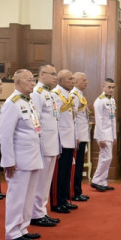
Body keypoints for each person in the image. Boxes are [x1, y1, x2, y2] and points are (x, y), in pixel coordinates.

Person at [1, 69, 46, 240]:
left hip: (33, 156)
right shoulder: (12, 103)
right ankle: (12, 231)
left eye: (33, 80)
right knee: (17, 197)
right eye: (29, 80)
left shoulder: (28, 101)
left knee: (28, 196)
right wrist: (8, 161)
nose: (33, 83)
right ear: (18, 82)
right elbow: (6, 135)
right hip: (19, 160)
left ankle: (23, 227)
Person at [31, 64, 65, 218]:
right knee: (40, 181)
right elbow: (36, 120)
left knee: (46, 182)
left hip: (52, 144)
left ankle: (41, 211)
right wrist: (38, 145)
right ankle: (36, 213)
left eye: (55, 74)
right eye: (52, 74)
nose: (55, 77)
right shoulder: (37, 93)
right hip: (43, 144)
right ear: (42, 74)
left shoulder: (49, 93)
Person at [53, 70, 78, 210]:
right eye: (70, 79)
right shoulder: (55, 95)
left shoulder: (69, 95)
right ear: (61, 80)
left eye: (73, 79)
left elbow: (72, 119)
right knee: (59, 174)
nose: (73, 81)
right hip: (61, 140)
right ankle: (57, 202)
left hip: (69, 139)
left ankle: (64, 199)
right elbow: (54, 120)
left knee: (67, 172)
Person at [91, 78, 117, 192]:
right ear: (104, 87)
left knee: (106, 158)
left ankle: (103, 181)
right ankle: (96, 180)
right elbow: (99, 120)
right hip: (103, 134)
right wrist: (101, 138)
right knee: (107, 157)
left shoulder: (112, 100)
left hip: (110, 134)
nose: (111, 89)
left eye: (113, 87)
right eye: (109, 87)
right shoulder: (99, 101)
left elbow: (113, 120)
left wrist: (114, 136)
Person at [70, 72, 90, 202]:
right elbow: (73, 118)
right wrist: (75, 136)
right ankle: (75, 192)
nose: (86, 82)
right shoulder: (74, 96)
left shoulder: (80, 95)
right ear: (76, 82)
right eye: (84, 80)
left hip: (83, 135)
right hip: (78, 137)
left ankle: (78, 191)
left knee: (80, 165)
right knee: (77, 166)